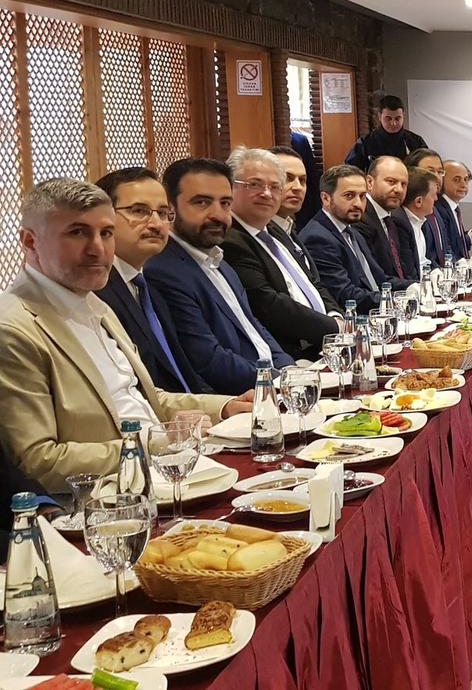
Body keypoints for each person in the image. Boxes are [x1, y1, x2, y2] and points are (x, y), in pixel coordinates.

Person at [0, 179, 244, 490]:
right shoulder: (13, 329)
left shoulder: (93, 302)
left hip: (166, 471)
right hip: (105, 498)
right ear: (30, 242)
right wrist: (160, 441)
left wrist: (225, 408)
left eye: (106, 233)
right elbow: (39, 462)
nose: (98, 249)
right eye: (78, 233)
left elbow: (144, 398)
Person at [145, 157, 293, 394]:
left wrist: (289, 369)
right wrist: (279, 381)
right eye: (202, 202)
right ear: (170, 208)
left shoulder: (220, 261)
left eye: (225, 203)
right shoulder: (164, 271)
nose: (218, 214)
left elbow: (254, 328)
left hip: (272, 383)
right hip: (237, 399)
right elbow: (207, 359)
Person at [92, 167, 212, 394]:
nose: (156, 224)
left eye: (164, 213)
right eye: (139, 211)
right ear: (103, 218)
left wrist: (226, 405)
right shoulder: (96, 293)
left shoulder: (150, 288)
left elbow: (184, 375)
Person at [219, 148, 338, 362]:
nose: (266, 193)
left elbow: (313, 284)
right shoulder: (230, 240)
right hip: (291, 355)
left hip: (325, 344)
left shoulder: (274, 230)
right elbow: (268, 305)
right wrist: (336, 328)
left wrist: (337, 316)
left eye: (274, 186)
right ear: (230, 187)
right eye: (255, 184)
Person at [300, 165, 397, 312]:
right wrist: (394, 301)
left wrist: (413, 288)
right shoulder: (318, 238)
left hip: (378, 311)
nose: (358, 203)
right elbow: (345, 295)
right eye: (349, 196)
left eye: (362, 196)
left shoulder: (352, 231)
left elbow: (381, 279)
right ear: (326, 198)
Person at [353, 156, 416, 285]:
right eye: (391, 182)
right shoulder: (359, 217)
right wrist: (413, 286)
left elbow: (406, 268)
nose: (399, 190)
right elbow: (377, 277)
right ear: (370, 182)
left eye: (403, 184)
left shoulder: (396, 217)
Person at [345, 95, 428, 170]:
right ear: (379, 116)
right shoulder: (365, 143)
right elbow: (351, 171)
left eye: (397, 118)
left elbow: (427, 169)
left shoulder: (416, 141)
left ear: (403, 115)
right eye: (388, 118)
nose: (393, 123)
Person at [394, 167, 446, 280]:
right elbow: (409, 273)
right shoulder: (400, 224)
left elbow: (427, 259)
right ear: (418, 201)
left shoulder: (422, 221)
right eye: (433, 195)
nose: (436, 199)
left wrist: (440, 274)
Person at [436, 159, 472, 260]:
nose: (463, 185)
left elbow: (453, 236)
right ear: (441, 181)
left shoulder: (452, 207)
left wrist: (468, 234)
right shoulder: (438, 209)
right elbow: (446, 246)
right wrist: (468, 239)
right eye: (456, 180)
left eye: (466, 179)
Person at [269, 145, 310, 234]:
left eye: (302, 180)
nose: (298, 187)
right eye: (287, 178)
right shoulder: (256, 233)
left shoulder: (288, 227)